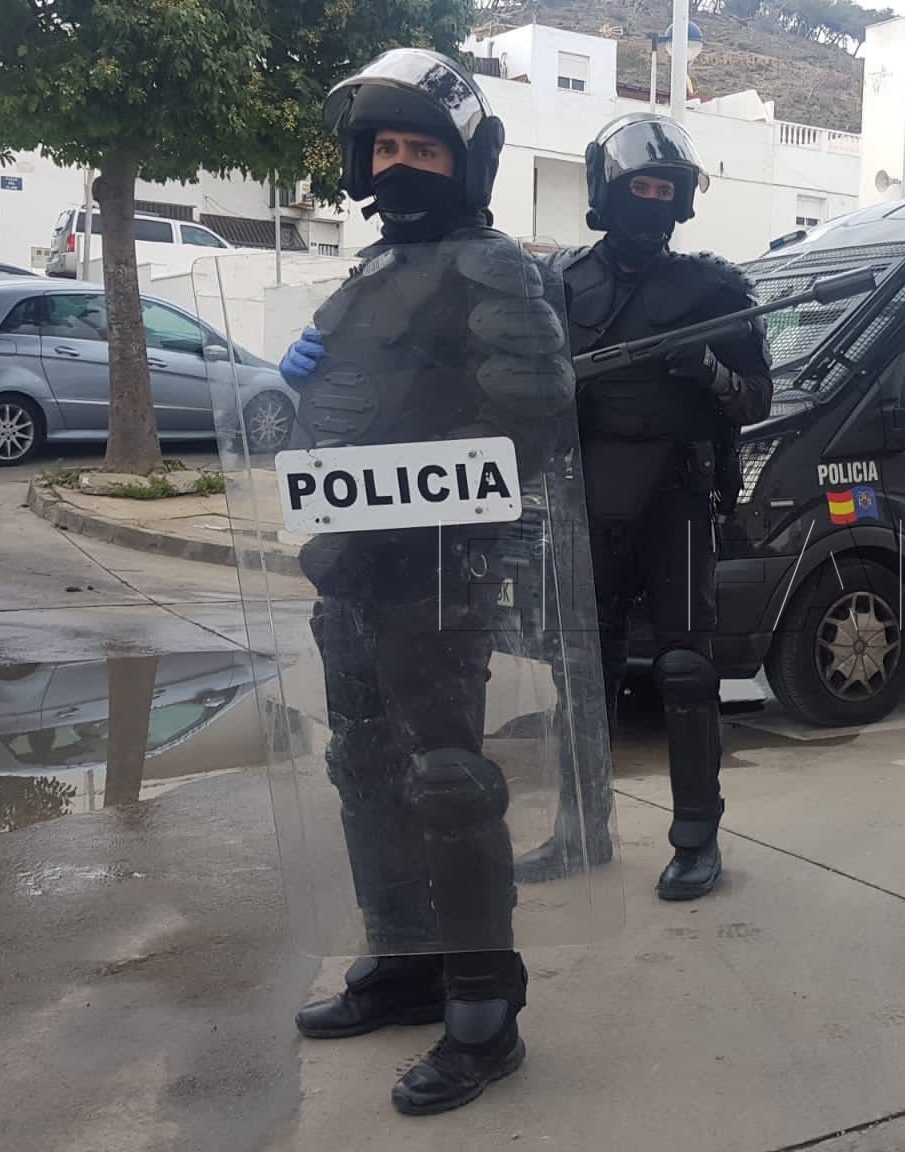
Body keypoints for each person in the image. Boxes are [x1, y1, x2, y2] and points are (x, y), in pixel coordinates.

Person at [273, 48, 582, 1117]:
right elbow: (346, 402)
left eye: (423, 148)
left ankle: (484, 1005)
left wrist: (425, 497)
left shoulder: (490, 269)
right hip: (350, 564)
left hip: (437, 569)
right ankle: (405, 959)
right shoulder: (370, 269)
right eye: (386, 147)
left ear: (464, 162)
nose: (400, 165)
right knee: (364, 763)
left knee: (447, 778)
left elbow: (531, 418)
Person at [514, 113, 772, 902]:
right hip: (584, 497)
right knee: (580, 670)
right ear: (608, 190)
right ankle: (580, 831)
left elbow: (757, 399)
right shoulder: (557, 283)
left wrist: (710, 374)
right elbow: (519, 385)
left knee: (686, 671)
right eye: (640, 187)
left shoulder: (714, 289)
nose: (652, 201)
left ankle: (696, 838)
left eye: (666, 190)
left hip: (675, 501)